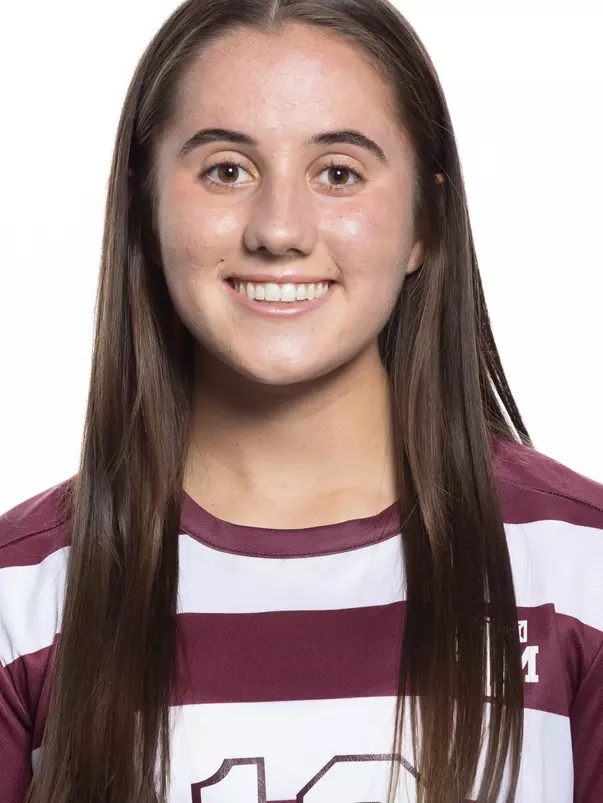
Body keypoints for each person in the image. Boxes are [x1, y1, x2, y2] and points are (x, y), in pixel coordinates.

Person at [1, 0, 602, 801]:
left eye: (338, 173)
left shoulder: (580, 567)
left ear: (425, 218)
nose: (278, 230)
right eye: (226, 169)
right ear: (147, 209)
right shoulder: (24, 592)